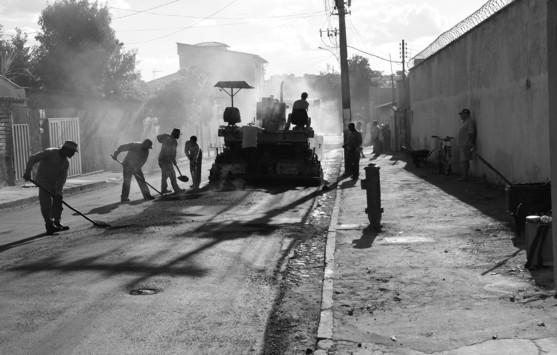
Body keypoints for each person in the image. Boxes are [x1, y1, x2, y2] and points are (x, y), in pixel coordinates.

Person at [23, 141, 78, 234]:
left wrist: (58, 191)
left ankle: (57, 222)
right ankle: (49, 225)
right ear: (66, 150)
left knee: (58, 201)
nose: (73, 154)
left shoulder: (66, 162)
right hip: (43, 182)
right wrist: (28, 172)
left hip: (55, 184)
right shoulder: (50, 152)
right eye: (72, 152)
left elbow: (62, 179)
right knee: (46, 204)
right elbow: (33, 158)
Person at [157, 128, 183, 194]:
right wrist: (173, 160)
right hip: (166, 160)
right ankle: (176, 189)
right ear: (176, 134)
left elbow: (158, 137)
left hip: (162, 159)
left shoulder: (166, 138)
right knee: (172, 175)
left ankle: (163, 189)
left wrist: (166, 136)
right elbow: (173, 152)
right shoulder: (174, 141)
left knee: (165, 175)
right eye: (178, 135)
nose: (179, 136)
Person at [456, 108, 477, 181]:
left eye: (462, 114)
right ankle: (464, 176)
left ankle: (464, 176)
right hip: (462, 144)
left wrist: (471, 143)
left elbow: (471, 133)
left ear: (466, 114)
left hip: (466, 144)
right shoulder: (465, 122)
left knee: (464, 161)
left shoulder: (469, 122)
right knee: (464, 161)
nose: (460, 116)